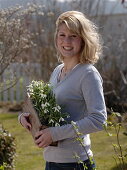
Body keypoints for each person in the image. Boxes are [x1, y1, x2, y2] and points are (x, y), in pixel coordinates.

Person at [18, 11, 107, 170]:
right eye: (62, 35)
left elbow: (98, 120)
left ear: (83, 39)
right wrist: (26, 118)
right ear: (56, 38)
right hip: (51, 161)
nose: (66, 41)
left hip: (75, 163)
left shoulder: (88, 74)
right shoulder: (58, 70)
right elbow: (52, 112)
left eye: (73, 35)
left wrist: (54, 134)